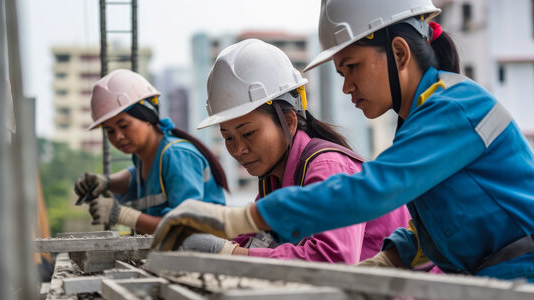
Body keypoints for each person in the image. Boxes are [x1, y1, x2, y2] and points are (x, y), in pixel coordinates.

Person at [152, 0, 534, 300]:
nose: (347, 87)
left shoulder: (454, 108)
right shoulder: (420, 121)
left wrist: (236, 220)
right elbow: (441, 224)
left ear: (399, 53)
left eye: (351, 67)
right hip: (485, 286)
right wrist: (390, 258)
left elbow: (371, 190)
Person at [158, 39, 410, 262]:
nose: (239, 149)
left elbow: (334, 259)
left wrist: (227, 253)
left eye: (248, 133)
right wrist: (217, 247)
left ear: (289, 122)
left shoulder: (327, 167)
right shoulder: (275, 182)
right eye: (228, 137)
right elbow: (253, 242)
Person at [74, 69, 228, 234]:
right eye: (110, 131)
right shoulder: (143, 159)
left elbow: (183, 227)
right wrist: (106, 182)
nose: (118, 136)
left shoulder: (176, 155)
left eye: (124, 125)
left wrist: (120, 214)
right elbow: (134, 178)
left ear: (146, 116)